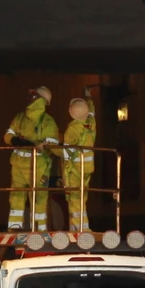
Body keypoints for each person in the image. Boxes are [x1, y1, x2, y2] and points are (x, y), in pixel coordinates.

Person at [4, 87, 60, 231]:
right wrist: (20, 142)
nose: (30, 97)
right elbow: (8, 136)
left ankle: (40, 229)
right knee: (17, 196)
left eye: (34, 95)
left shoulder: (47, 122)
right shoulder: (20, 118)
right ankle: (15, 227)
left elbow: (50, 145)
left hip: (38, 166)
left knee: (39, 197)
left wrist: (33, 145)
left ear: (41, 100)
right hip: (19, 163)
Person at [60, 97, 96, 233]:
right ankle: (76, 228)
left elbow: (66, 152)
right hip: (87, 168)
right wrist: (89, 98)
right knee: (82, 198)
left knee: (74, 199)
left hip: (75, 169)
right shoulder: (91, 124)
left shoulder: (72, 129)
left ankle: (83, 230)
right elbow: (92, 113)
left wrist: (50, 148)